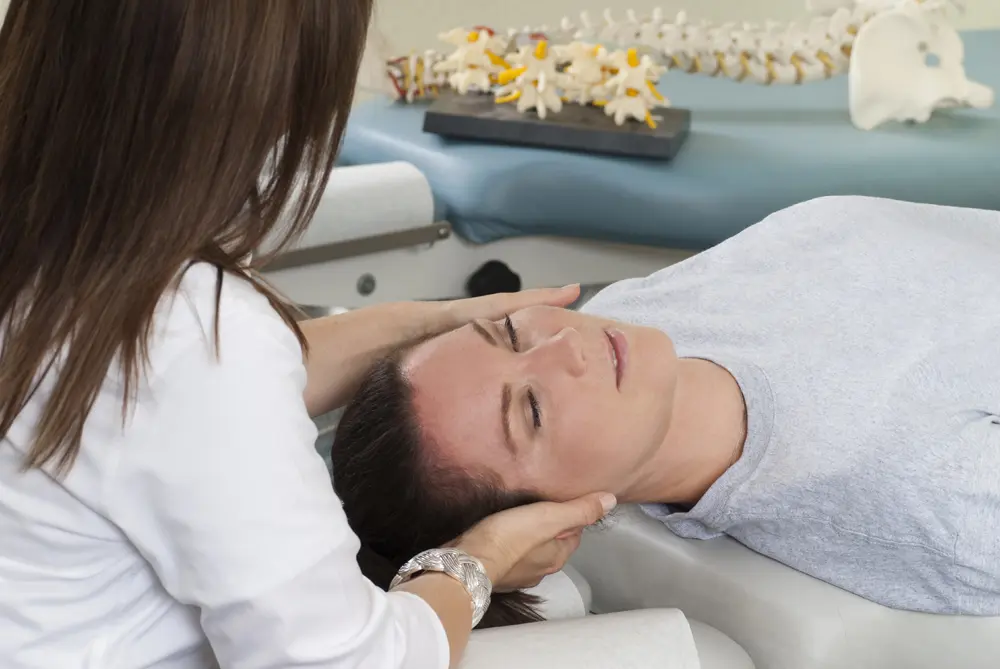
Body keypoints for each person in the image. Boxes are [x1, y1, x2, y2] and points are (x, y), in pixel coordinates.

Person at [0, 2, 617, 668]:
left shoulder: (57, 253)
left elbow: (149, 405)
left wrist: (427, 320)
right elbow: (349, 661)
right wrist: (479, 559)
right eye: (528, 409)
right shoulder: (190, 337)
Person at [331, 195, 1000, 624]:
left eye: (507, 332)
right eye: (531, 410)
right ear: (552, 529)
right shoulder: (932, 502)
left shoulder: (636, 321)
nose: (564, 342)